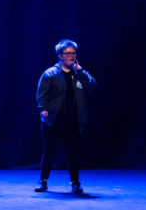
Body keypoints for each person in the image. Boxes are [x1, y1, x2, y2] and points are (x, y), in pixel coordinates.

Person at [34, 39, 97, 194]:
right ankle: (43, 181)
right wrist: (43, 109)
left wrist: (81, 71)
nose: (71, 56)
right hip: (54, 119)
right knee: (49, 151)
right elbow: (41, 95)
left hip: (73, 120)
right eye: (67, 53)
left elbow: (92, 86)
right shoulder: (50, 74)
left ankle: (75, 182)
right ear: (60, 55)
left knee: (73, 152)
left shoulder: (78, 74)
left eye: (73, 53)